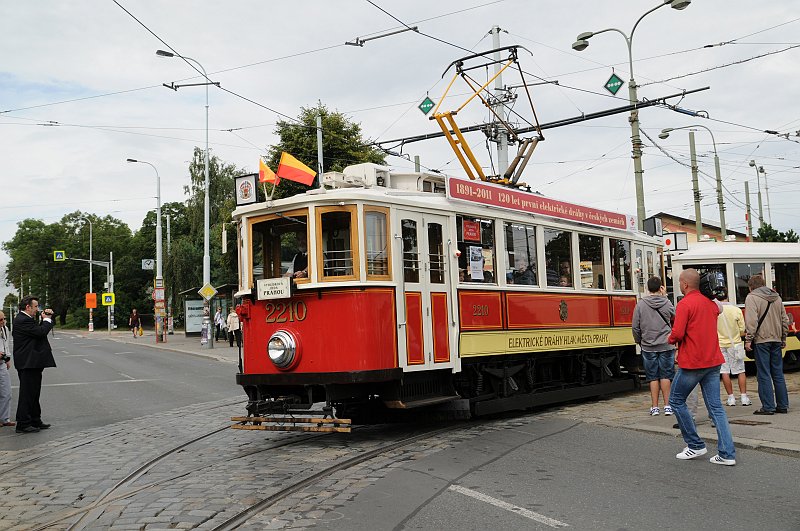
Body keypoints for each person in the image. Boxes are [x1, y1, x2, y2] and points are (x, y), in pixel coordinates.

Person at [667, 269, 736, 465]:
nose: (679, 285)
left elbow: (678, 333)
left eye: (680, 282)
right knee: (716, 408)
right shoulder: (710, 303)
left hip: (693, 362)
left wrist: (670, 338)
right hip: (713, 360)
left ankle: (695, 445)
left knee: (676, 400)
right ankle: (726, 454)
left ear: (685, 284)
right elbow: (720, 307)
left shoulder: (684, 304)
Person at [744, 274, 790, 415]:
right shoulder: (777, 297)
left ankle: (768, 406)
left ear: (751, 287)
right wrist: (783, 337)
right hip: (776, 339)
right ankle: (783, 405)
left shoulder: (751, 298)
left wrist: (748, 339)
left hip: (761, 339)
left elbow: (751, 321)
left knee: (763, 374)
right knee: (778, 373)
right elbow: (785, 319)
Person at [632, 276, 676, 416]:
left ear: (647, 288)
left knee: (652, 377)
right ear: (661, 288)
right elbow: (675, 317)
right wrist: (665, 297)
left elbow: (635, 327)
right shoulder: (667, 303)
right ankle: (668, 406)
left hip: (648, 345)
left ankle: (655, 407)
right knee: (666, 375)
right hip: (666, 344)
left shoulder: (640, 305)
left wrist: (639, 341)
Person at [12, 296, 56, 434]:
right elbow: (40, 332)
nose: (38, 309)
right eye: (36, 307)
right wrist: (47, 320)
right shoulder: (22, 320)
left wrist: (46, 318)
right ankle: (23, 423)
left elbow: (38, 330)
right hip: (27, 362)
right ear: (28, 307)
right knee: (27, 393)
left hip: (32, 362)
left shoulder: (27, 319)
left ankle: (35, 419)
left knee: (34, 392)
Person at [716, 287, 751, 406]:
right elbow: (742, 330)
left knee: (725, 371)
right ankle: (744, 397)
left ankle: (731, 398)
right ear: (727, 295)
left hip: (720, 344)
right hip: (735, 344)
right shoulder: (736, 310)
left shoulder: (715, 311)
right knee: (740, 370)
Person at [0, 311, 14, 427]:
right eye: (0, 320)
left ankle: (5, 418)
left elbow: (6, 344)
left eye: (3, 319)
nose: (2, 321)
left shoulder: (4, 329)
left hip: (2, 363)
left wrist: (7, 358)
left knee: (6, 392)